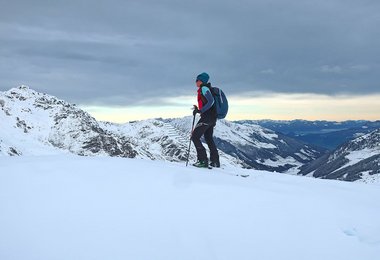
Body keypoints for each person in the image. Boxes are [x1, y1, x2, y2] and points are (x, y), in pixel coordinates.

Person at [191, 72, 220, 168]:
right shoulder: (205, 88)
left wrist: (200, 110)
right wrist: (198, 109)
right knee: (209, 138)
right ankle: (215, 161)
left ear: (201, 81)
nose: (195, 82)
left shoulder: (204, 88)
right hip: (212, 117)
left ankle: (203, 160)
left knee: (195, 137)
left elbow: (210, 101)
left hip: (207, 117)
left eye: (197, 80)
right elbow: (208, 102)